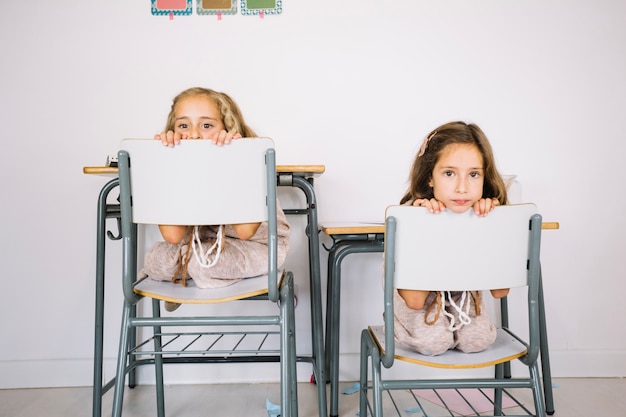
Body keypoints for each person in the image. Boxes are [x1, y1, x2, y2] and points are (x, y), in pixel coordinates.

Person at [141, 87, 290, 310]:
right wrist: (168, 162)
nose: (193, 134)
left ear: (227, 129)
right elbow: (173, 236)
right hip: (202, 243)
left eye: (207, 125)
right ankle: (190, 268)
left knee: (204, 266)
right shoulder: (181, 168)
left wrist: (235, 161)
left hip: (256, 246)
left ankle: (190, 272)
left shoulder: (248, 164)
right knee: (155, 259)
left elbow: (245, 232)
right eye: (183, 125)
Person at [393, 121, 509, 356]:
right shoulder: (409, 216)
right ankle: (400, 321)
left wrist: (490, 226)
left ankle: (456, 323)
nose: (462, 187)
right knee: (432, 343)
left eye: (474, 174)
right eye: (449, 173)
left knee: (477, 341)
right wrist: (426, 227)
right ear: (429, 177)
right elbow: (415, 300)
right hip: (420, 297)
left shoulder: (484, 214)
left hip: (463, 299)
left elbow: (500, 291)